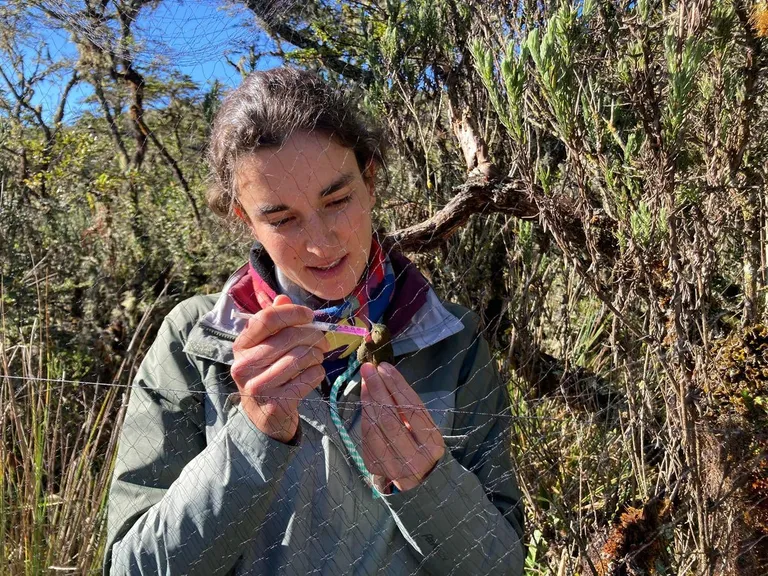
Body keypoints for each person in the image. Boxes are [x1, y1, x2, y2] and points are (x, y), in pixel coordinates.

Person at [104, 67, 525, 575]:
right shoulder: (193, 342)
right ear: (246, 220)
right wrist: (253, 436)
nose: (320, 242)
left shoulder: (451, 340)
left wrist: (430, 484)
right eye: (282, 219)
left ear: (369, 181)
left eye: (337, 199)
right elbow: (132, 567)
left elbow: (502, 565)